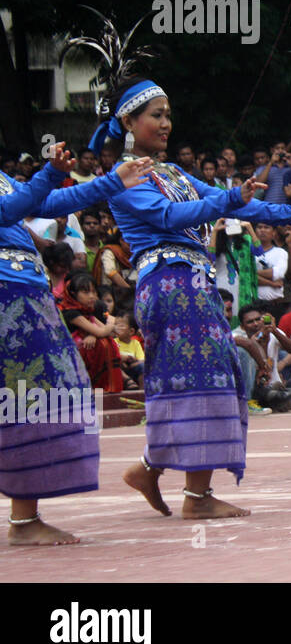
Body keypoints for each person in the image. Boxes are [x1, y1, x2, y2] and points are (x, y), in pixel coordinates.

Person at [92, 73, 291, 520]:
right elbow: (171, 215)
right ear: (129, 122)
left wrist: (289, 210)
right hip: (167, 284)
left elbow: (233, 202)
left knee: (210, 377)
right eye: (156, 115)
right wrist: (228, 198)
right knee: (199, 378)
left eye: (168, 115)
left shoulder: (174, 172)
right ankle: (191, 494)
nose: (166, 123)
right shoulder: (123, 177)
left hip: (193, 285)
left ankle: (157, 471)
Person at [1, 142, 154, 545]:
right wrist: (51, 173)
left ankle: (24, 517)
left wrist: (110, 181)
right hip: (8, 300)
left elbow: (50, 201)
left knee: (38, 396)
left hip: (24, 297)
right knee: (28, 396)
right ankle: (23, 520)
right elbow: (11, 209)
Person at [58, 271, 124, 392]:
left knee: (107, 341)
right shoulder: (71, 312)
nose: (92, 296)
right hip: (68, 354)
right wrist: (106, 327)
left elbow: (107, 331)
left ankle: (105, 385)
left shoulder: (88, 311)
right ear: (73, 294)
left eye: (94, 292)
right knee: (100, 343)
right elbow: (102, 331)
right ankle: (91, 385)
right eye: (86, 292)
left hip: (83, 348)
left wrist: (99, 332)